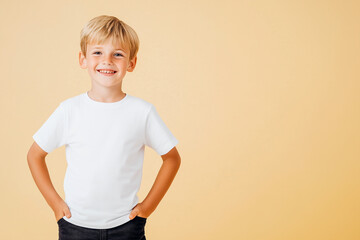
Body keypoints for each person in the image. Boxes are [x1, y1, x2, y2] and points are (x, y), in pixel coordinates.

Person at [27, 15, 181, 240]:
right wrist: (55, 204)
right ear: (83, 59)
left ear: (131, 63)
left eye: (117, 54)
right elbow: (34, 155)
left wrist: (148, 207)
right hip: (75, 227)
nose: (107, 61)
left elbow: (172, 158)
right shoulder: (70, 110)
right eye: (97, 52)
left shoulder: (142, 112)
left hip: (126, 227)